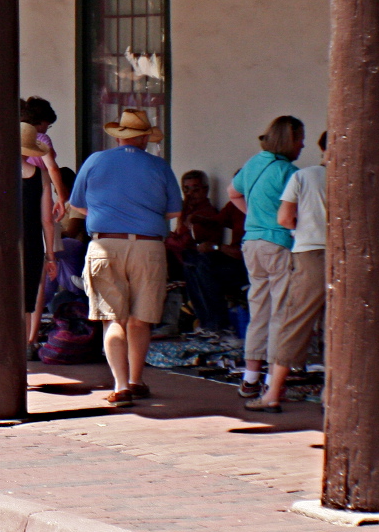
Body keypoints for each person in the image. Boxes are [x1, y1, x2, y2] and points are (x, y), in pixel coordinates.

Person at [67, 108, 181, 407]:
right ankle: (136, 379)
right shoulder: (159, 166)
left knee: (112, 318)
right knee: (140, 319)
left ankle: (120, 386)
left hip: (105, 244)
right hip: (148, 246)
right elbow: (173, 212)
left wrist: (109, 213)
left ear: (120, 136)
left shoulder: (95, 161)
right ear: (144, 137)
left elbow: (77, 205)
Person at [249, 133, 329, 412]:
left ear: (322, 148)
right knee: (339, 325)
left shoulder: (305, 176)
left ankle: (272, 393)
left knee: (294, 322)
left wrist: (300, 228)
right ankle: (331, 392)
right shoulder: (362, 176)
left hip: (310, 254)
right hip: (348, 258)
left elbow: (284, 218)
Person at [229, 116, 303, 401]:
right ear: (289, 140)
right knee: (281, 312)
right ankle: (273, 381)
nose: (302, 144)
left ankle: (249, 378)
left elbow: (232, 192)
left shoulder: (254, 163)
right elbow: (293, 213)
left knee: (258, 309)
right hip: (278, 243)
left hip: (253, 244)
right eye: (299, 138)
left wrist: (255, 217)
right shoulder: (288, 172)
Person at [166, 170, 245, 334]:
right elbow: (217, 221)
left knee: (201, 265)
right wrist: (195, 218)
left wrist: (216, 246)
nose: (190, 194)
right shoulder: (234, 205)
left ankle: (217, 326)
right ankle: (204, 323)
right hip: (226, 259)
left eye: (195, 189)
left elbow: (241, 253)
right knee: (195, 263)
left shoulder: (259, 208)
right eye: (186, 190)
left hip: (246, 264)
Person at [20, 98, 71, 349]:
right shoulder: (42, 142)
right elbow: (53, 170)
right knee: (36, 284)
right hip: (36, 224)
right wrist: (63, 198)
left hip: (10, 235)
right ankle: (30, 338)